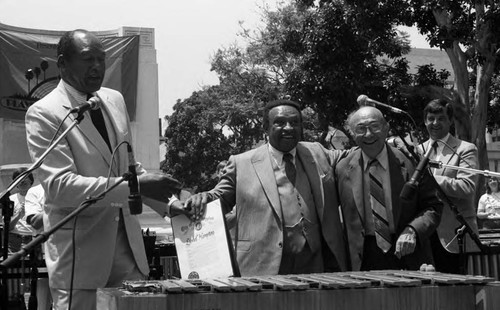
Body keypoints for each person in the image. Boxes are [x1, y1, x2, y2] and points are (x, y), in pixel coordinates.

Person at [25, 29, 186, 310]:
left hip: (130, 255)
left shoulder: (114, 100)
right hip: (80, 261)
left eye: (102, 59)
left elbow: (130, 167)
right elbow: (61, 188)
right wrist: (136, 186)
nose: (98, 67)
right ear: (63, 63)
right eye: (88, 59)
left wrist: (171, 206)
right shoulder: (44, 113)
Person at [185, 99, 348, 276]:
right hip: (262, 265)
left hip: (317, 266)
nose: (288, 128)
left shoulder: (317, 152)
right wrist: (202, 198)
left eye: (294, 123)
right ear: (265, 127)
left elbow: (354, 158)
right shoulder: (241, 163)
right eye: (279, 122)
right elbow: (220, 197)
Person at [336, 106, 443, 271]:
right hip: (363, 258)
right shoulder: (342, 168)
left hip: (408, 252)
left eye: (374, 126)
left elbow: (433, 206)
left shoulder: (412, 162)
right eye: (361, 129)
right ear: (352, 134)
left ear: (386, 128)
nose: (369, 134)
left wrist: (413, 230)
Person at [419, 98, 479, 274]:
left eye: (441, 118)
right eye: (431, 118)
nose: (435, 123)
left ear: (450, 121)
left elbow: (467, 187)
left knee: (456, 293)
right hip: (425, 236)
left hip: (455, 237)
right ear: (425, 121)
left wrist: (433, 179)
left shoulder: (465, 149)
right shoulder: (417, 151)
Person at [4, 168, 37, 254]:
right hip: (14, 240)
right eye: (19, 179)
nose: (23, 181)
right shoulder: (10, 199)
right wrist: (18, 214)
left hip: (33, 239)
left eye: (26, 178)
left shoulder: (38, 198)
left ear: (31, 182)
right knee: (13, 266)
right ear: (16, 184)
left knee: (34, 266)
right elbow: (7, 227)